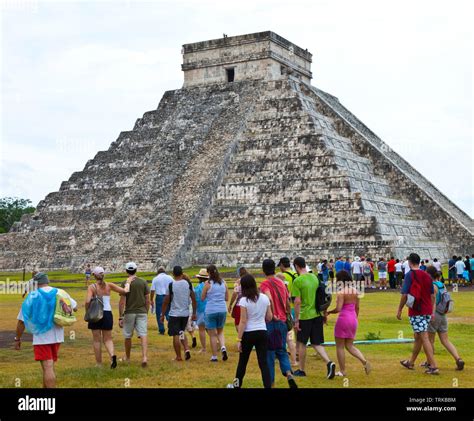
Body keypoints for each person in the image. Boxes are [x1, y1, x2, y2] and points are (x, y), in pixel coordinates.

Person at [15, 272, 77, 388]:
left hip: (42, 337)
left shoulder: (33, 296)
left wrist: (17, 338)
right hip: (58, 335)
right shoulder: (60, 292)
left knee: (47, 366)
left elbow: (21, 321)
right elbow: (75, 307)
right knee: (48, 366)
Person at [292, 256, 336, 379]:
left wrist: (296, 319)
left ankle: (301, 370)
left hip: (305, 316)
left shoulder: (298, 281)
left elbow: (297, 301)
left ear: (296, 266)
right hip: (317, 314)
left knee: (301, 343)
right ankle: (329, 362)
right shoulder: (315, 277)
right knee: (316, 343)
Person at [397, 253, 439, 375]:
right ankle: (411, 362)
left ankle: (434, 366)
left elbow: (404, 295)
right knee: (418, 337)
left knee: (424, 337)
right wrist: (431, 311)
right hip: (426, 310)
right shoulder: (426, 275)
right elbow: (432, 296)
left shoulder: (410, 275)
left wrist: (399, 309)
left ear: (410, 262)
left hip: (417, 311)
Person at [259, 258, 297, 388]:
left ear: (263, 270)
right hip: (282, 321)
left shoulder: (264, 284)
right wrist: (285, 314)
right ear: (274, 269)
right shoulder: (281, 283)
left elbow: (268, 298)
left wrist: (273, 313)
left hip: (270, 321)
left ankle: (271, 383)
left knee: (269, 354)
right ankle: (288, 373)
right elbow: (287, 302)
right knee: (281, 350)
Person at [230, 274, 272, 388]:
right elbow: (269, 317)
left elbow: (243, 321)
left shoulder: (244, 300)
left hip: (248, 333)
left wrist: (239, 339)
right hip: (262, 331)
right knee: (263, 363)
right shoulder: (264, 298)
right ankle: (267, 386)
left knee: (242, 362)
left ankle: (236, 385)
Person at [327, 270, 371, 377]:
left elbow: (338, 308)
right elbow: (357, 307)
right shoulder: (356, 291)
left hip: (343, 319)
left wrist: (329, 312)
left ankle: (342, 370)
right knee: (350, 345)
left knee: (340, 347)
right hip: (353, 318)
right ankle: (364, 361)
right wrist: (355, 318)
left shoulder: (341, 292)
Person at [85, 266, 130, 368]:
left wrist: (87, 311)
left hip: (96, 313)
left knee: (97, 340)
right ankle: (112, 356)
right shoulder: (109, 285)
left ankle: (99, 363)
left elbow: (87, 301)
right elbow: (124, 291)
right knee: (108, 339)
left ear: (94, 276)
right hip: (107, 313)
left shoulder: (92, 287)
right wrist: (128, 282)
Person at [423, 266, 464, 371]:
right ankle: (458, 358)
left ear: (429, 275)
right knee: (445, 340)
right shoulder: (441, 284)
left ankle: (430, 362)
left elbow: (433, 303)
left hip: (435, 314)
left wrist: (431, 314)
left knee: (430, 340)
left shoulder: (432, 286)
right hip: (443, 314)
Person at [161, 266, 196, 361]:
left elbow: (166, 301)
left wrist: (162, 314)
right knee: (181, 332)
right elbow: (193, 298)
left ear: (173, 274)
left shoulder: (171, 285)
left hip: (174, 313)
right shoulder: (187, 284)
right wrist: (194, 313)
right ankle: (186, 349)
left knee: (175, 334)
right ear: (182, 273)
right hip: (185, 313)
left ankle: (178, 356)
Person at [118, 262, 150, 367]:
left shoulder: (125, 283)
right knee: (143, 334)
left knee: (128, 335)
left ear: (127, 271)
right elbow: (147, 299)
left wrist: (120, 316)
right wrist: (146, 311)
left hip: (129, 312)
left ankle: (127, 357)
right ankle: (144, 357)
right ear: (136, 270)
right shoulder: (143, 282)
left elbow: (122, 301)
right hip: (142, 311)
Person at [202, 264, 229, 362]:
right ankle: (223, 347)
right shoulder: (223, 282)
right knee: (220, 331)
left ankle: (214, 356)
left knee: (212, 334)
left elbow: (202, 297)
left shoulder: (208, 283)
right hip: (222, 309)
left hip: (211, 310)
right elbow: (226, 298)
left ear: (208, 273)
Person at [150, 266, 173, 335]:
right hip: (168, 296)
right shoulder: (170, 277)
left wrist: (151, 299)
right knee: (169, 313)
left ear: (158, 272)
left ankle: (161, 330)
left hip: (159, 297)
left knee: (159, 313)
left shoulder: (155, 278)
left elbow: (152, 290)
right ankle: (171, 328)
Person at [228, 267, 248, 332]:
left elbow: (234, 294)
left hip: (239, 305)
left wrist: (230, 304)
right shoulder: (250, 280)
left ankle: (241, 337)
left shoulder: (238, 282)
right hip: (249, 303)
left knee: (238, 323)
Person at [193, 268, 208, 352]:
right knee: (211, 328)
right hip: (209, 308)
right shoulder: (210, 285)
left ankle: (204, 348)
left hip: (201, 309)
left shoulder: (198, 288)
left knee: (201, 329)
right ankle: (218, 342)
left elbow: (195, 300)